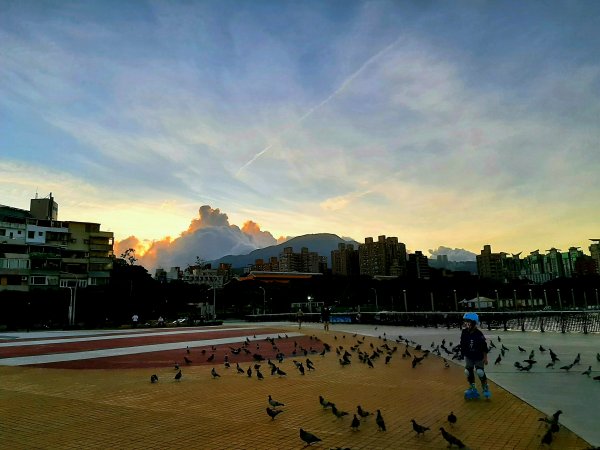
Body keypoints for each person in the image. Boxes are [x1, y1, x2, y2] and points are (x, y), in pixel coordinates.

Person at [460, 312, 491, 399]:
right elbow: (462, 343)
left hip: (478, 356)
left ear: (473, 323)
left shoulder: (479, 334)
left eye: (468, 321)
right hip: (469, 356)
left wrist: (485, 357)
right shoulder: (464, 332)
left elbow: (484, 346)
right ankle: (472, 387)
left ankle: (485, 387)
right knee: (468, 371)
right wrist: (463, 353)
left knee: (480, 372)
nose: (466, 323)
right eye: (465, 321)